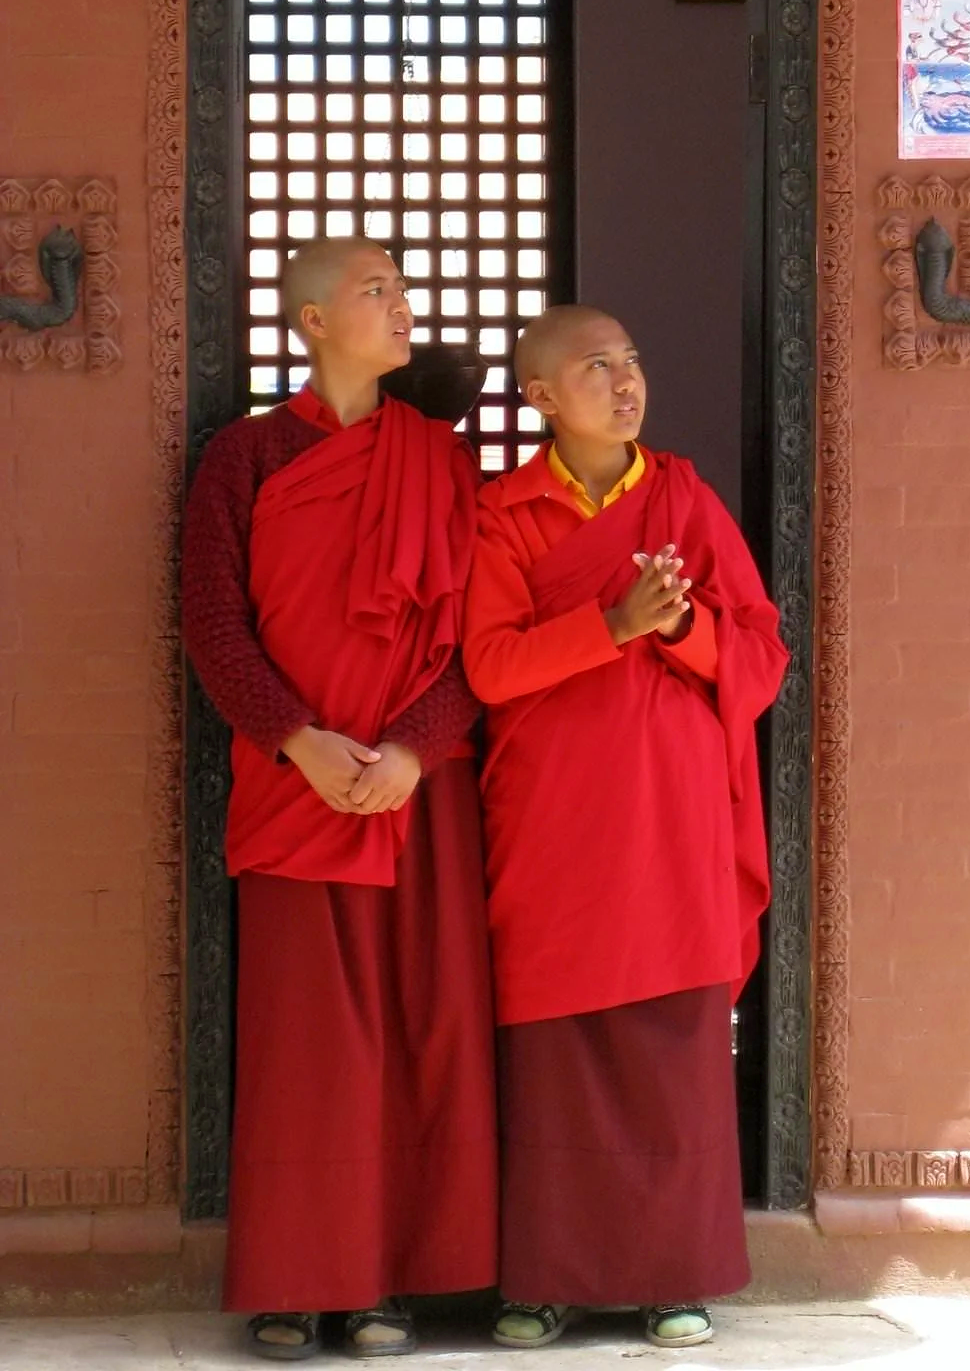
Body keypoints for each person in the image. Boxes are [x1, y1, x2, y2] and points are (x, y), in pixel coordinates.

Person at [181, 238, 498, 1362]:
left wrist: (410, 749)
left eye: (405, 290)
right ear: (312, 318)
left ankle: (389, 1284)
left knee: (424, 1024)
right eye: (377, 290)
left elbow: (478, 637)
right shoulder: (246, 456)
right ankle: (295, 1279)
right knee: (304, 1044)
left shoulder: (443, 462)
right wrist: (298, 741)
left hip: (419, 789)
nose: (403, 304)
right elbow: (212, 622)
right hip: (295, 781)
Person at [463, 305, 787, 1351]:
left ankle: (671, 1277)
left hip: (669, 814)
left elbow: (762, 655)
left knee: (669, 1053)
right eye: (594, 366)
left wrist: (681, 625)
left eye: (633, 360)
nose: (624, 379)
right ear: (542, 396)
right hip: (554, 819)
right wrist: (612, 625)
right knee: (556, 1055)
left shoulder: (683, 498)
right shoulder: (503, 515)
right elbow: (492, 666)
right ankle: (547, 1281)